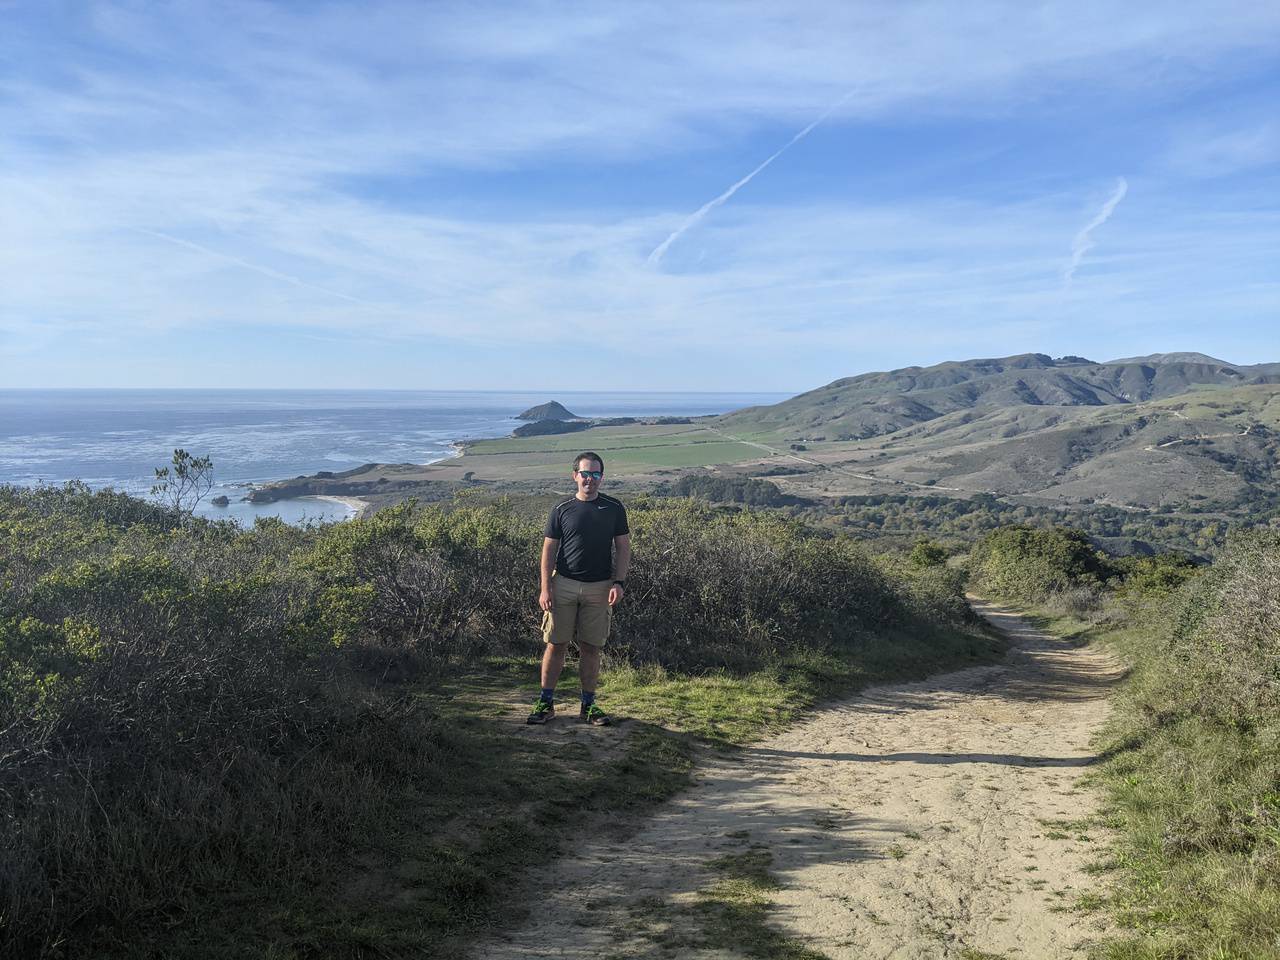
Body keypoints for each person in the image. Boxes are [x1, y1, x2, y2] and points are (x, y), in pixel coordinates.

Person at [527, 451, 630, 726]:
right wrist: (545, 587)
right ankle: (545, 703)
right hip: (563, 585)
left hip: (600, 588)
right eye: (585, 474)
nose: (590, 479)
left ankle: (588, 706)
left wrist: (618, 583)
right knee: (555, 645)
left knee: (591, 648)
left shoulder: (614, 508)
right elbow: (548, 551)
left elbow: (623, 547)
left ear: (602, 477)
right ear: (575, 476)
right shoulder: (561, 510)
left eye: (595, 474)